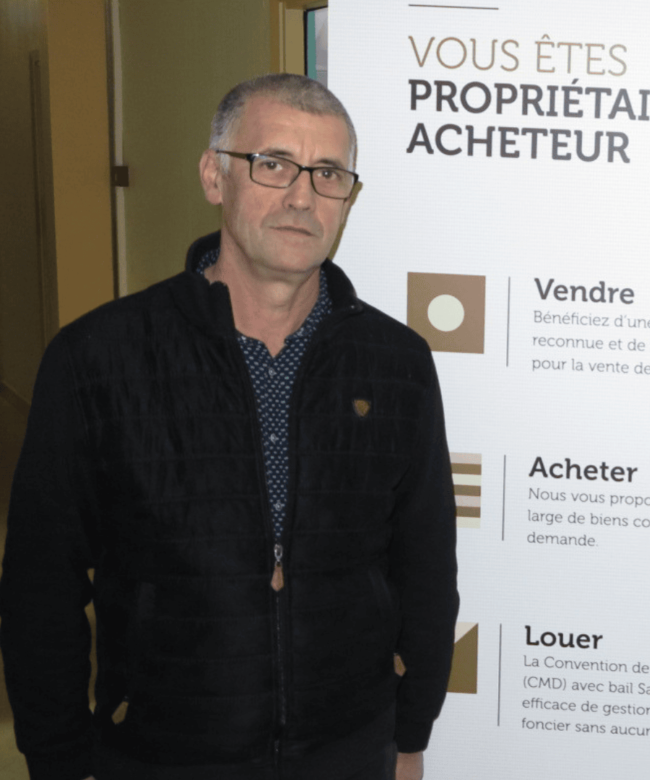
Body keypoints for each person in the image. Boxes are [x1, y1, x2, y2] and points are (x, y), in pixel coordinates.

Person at [0, 74, 459, 780]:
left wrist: (409, 737)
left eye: (328, 173)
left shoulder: (396, 363)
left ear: (348, 197)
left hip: (348, 750)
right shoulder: (98, 358)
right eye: (273, 164)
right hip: (157, 752)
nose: (302, 196)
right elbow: (41, 587)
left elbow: (425, 567)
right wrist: (59, 760)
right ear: (214, 176)